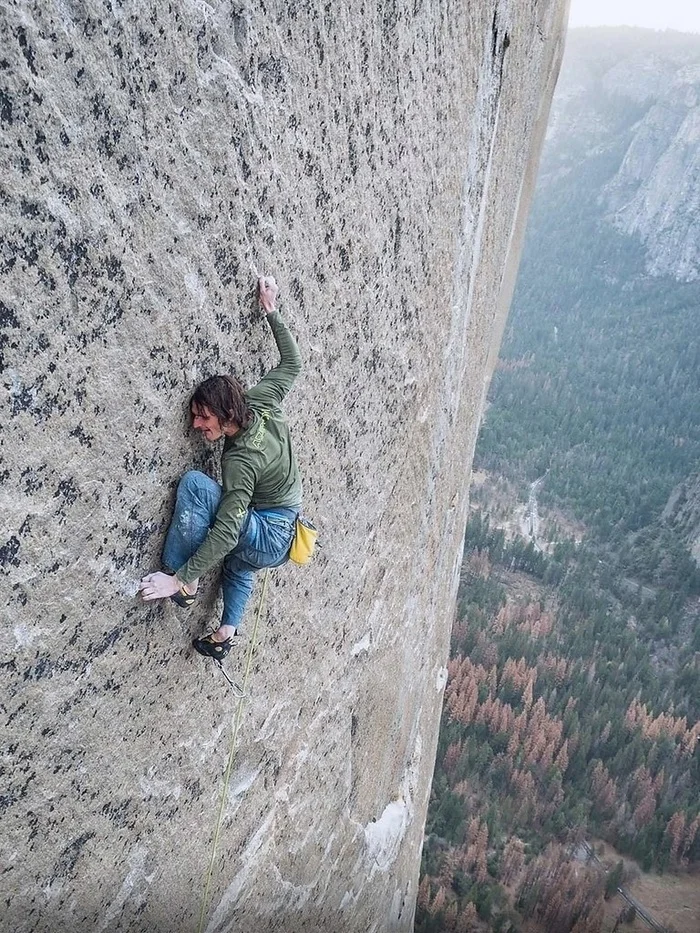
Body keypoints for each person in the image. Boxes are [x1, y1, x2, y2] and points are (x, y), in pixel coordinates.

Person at [139, 276, 302, 660]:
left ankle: (183, 585)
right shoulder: (260, 399)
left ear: (227, 413)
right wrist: (271, 309)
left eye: (204, 417)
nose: (198, 426)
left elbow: (229, 530)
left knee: (196, 486)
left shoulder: (240, 461)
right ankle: (226, 632)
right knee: (238, 565)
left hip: (269, 532)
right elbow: (292, 364)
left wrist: (181, 576)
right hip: (285, 532)